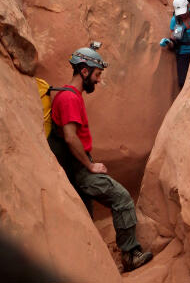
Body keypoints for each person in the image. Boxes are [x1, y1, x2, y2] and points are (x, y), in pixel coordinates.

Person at [48, 43, 153, 272]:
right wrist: (90, 166)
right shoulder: (69, 99)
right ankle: (130, 255)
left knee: (85, 217)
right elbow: (70, 137)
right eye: (97, 74)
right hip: (80, 169)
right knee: (122, 199)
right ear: (84, 71)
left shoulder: (71, 96)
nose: (98, 80)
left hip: (77, 165)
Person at [159, 0, 190, 88]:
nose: (183, 15)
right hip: (183, 53)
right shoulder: (176, 21)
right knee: (183, 82)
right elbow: (175, 42)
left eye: (184, 11)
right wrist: (168, 42)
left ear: (188, 6)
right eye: (180, 13)